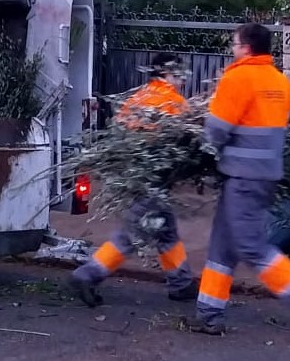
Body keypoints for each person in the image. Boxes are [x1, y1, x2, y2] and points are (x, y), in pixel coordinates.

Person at [192, 22, 290, 342]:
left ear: (246, 47)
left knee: (250, 245)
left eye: (234, 44)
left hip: (243, 177)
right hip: (264, 177)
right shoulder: (279, 80)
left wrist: (200, 149)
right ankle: (209, 313)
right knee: (223, 244)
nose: (232, 49)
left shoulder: (238, 78)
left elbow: (216, 131)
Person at [70, 52, 198, 306]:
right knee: (131, 236)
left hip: (135, 180)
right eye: (179, 74)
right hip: (154, 182)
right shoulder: (174, 103)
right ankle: (88, 274)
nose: (183, 79)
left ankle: (181, 282)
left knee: (166, 231)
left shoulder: (138, 98)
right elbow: (187, 143)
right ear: (166, 73)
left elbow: (119, 133)